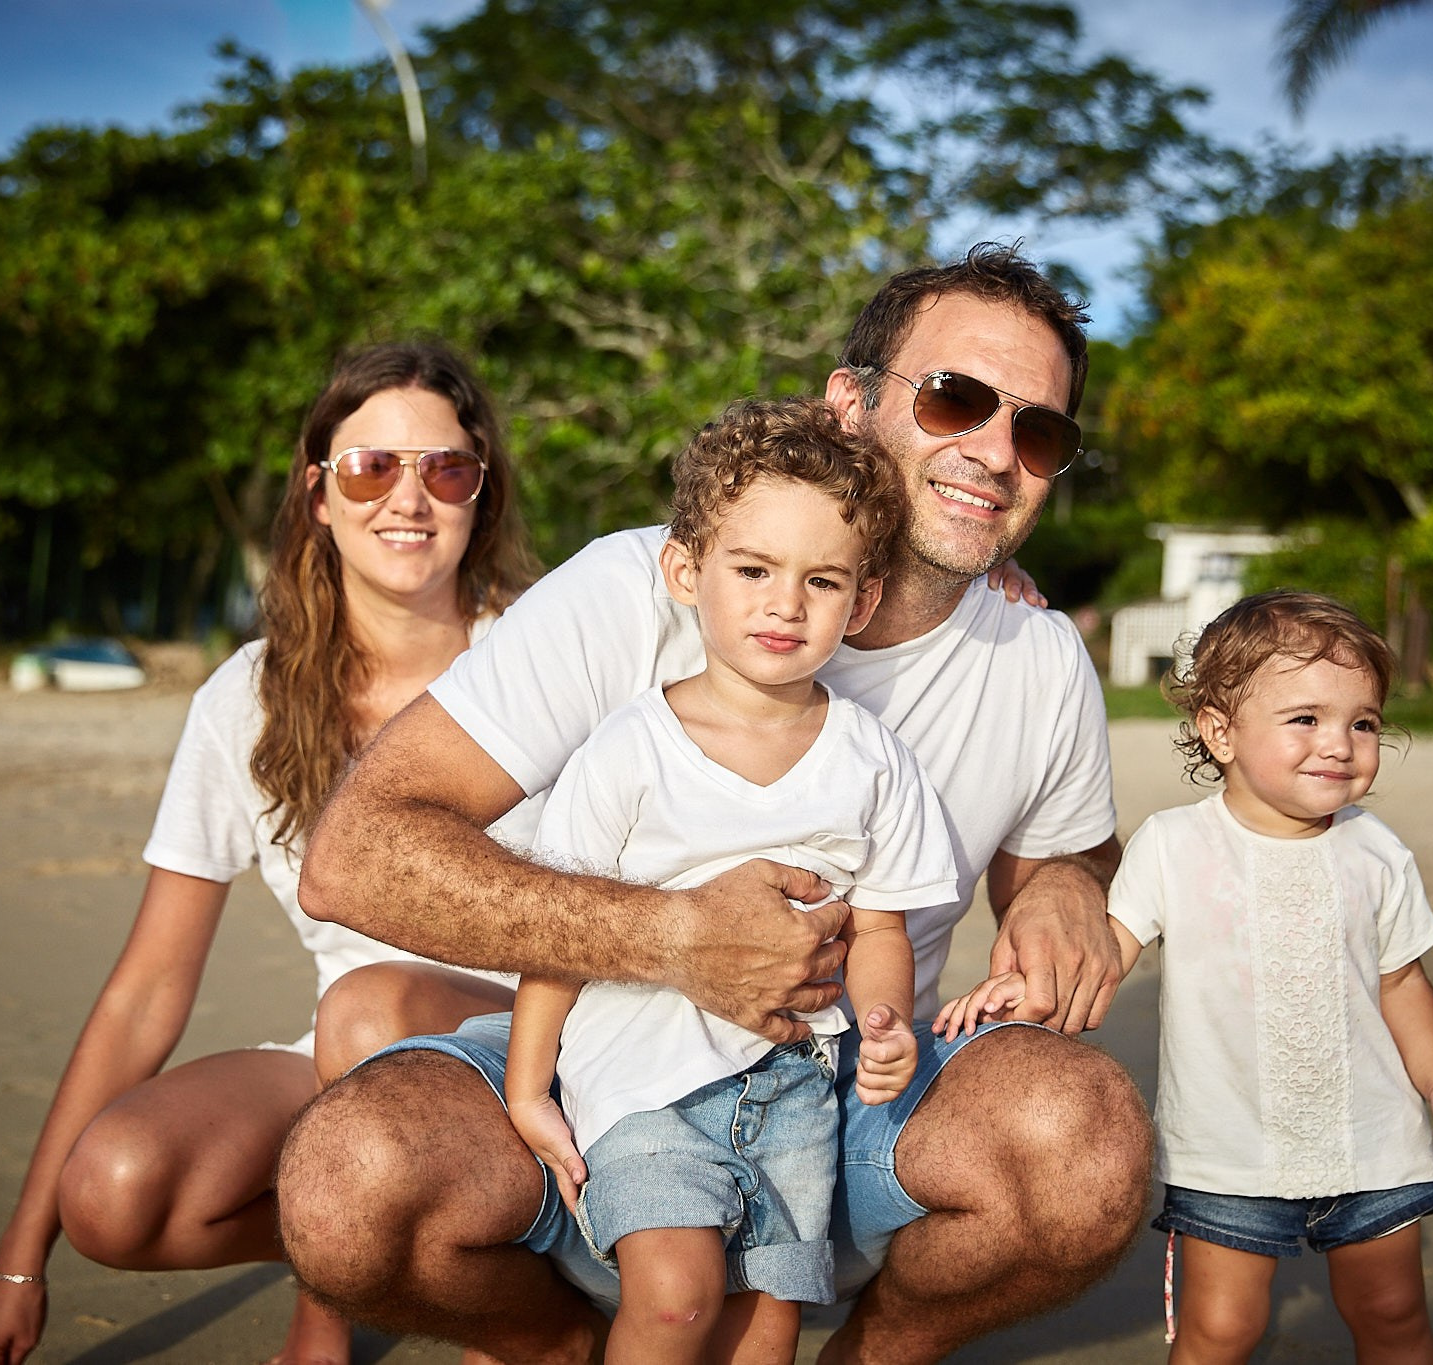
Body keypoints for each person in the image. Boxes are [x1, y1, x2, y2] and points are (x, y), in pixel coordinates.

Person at [277, 244, 1154, 1365]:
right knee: (343, 1188)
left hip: (849, 1093)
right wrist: (677, 939)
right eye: (956, 400)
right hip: (609, 1075)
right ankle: (556, 1345)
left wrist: (1071, 887)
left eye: (1038, 432)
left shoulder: (1035, 654)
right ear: (850, 403)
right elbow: (353, 855)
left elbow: (1068, 856)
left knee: (1088, 1146)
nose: (993, 452)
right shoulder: (629, 589)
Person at [0, 341, 538, 1365]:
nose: (408, 499)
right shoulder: (248, 698)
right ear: (317, 495)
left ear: (479, 494)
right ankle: (405, 1261)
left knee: (372, 1006)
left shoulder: (542, 656)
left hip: (549, 1052)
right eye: (370, 468)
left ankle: (390, 1306)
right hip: (350, 1061)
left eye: (444, 468)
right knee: (119, 1189)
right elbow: (145, 990)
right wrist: (21, 1258)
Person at [499, 397, 957, 1363]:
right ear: (685, 570)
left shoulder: (873, 761)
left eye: (821, 580)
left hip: (797, 1090)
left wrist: (884, 1023)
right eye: (752, 570)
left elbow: (878, 930)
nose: (784, 604)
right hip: (640, 1083)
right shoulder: (629, 751)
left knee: (768, 1320)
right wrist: (528, 1082)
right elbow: (562, 933)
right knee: (674, 1297)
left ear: (862, 602)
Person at [945, 590, 1433, 1363]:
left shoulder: (1377, 852)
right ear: (1220, 730)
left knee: (1394, 1312)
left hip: (1373, 1141)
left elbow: (1401, 983)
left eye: (1363, 722)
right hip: (1228, 1149)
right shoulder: (1174, 845)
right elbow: (1107, 947)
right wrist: (1027, 986)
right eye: (1305, 718)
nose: (1338, 742)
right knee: (1221, 1328)